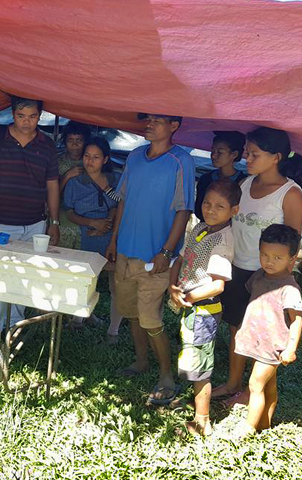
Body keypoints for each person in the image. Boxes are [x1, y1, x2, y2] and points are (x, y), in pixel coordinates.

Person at [212, 127, 302, 406]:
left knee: (260, 335)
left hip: (265, 277)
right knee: (236, 328)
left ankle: (253, 391)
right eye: (247, 153)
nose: (247, 158)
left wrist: (278, 282)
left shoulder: (290, 193)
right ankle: (233, 384)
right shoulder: (246, 184)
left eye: (254, 154)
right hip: (236, 267)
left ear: (276, 157)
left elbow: (292, 241)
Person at [106, 113, 195, 406]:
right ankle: (141, 361)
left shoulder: (181, 161)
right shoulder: (134, 156)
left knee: (150, 318)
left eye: (158, 121)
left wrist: (167, 252)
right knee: (130, 312)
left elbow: (183, 211)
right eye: (149, 120)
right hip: (126, 252)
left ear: (174, 126)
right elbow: (123, 201)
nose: (149, 124)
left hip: (156, 257)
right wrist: (114, 239)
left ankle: (167, 375)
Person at [0, 96, 60, 338]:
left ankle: (15, 325)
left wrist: (54, 222)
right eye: (21, 116)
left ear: (39, 117)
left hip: (35, 222)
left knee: (27, 273)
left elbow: (52, 184)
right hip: (1, 220)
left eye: (32, 117)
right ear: (13, 115)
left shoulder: (47, 144)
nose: (26, 122)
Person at [168, 178, 240, 436]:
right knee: (192, 357)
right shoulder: (201, 227)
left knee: (200, 368)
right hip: (191, 304)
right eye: (207, 203)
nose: (210, 209)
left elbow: (218, 286)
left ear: (234, 211)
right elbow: (181, 258)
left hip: (203, 309)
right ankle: (199, 411)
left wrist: (188, 298)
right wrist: (172, 285)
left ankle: (202, 422)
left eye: (219, 206)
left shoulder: (222, 240)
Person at [234, 224, 302, 437]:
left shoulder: (289, 288)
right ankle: (265, 424)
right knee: (268, 385)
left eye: (277, 258)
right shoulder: (259, 276)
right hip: (257, 342)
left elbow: (297, 320)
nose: (269, 261)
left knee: (255, 384)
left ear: (292, 259)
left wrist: (291, 348)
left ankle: (248, 430)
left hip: (273, 346)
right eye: (264, 255)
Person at [63, 137, 123, 341]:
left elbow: (120, 205)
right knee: (84, 279)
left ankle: (113, 330)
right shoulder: (75, 181)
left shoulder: (115, 179)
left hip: (112, 234)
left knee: (116, 282)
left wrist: (107, 224)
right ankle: (77, 320)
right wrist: (91, 223)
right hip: (86, 233)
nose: (90, 161)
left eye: (96, 157)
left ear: (105, 159)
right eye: (87, 156)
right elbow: (69, 212)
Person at [194, 131, 246, 221]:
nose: (214, 155)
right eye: (212, 151)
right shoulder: (205, 179)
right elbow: (198, 210)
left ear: (234, 154)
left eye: (220, 152)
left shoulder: (244, 182)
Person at [58, 121, 91, 250]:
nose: (75, 145)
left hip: (87, 211)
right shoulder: (57, 161)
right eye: (70, 140)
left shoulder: (92, 161)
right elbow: (51, 194)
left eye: (79, 140)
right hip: (61, 210)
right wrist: (66, 176)